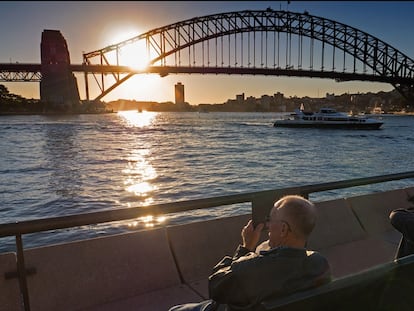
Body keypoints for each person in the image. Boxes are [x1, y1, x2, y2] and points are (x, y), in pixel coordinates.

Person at [169, 195, 331, 311]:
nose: (267, 224)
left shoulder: (254, 269)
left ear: (283, 229)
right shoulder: (320, 264)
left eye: (270, 219)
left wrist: (246, 248)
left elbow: (216, 287)